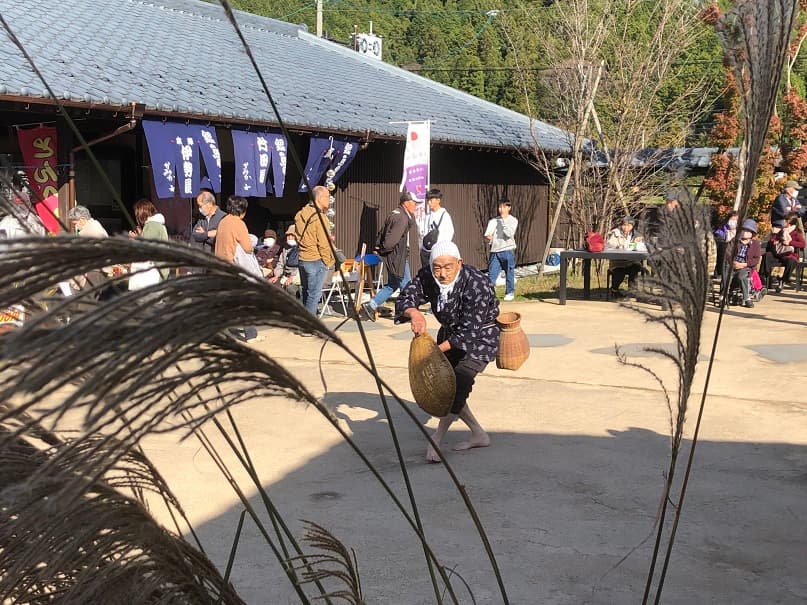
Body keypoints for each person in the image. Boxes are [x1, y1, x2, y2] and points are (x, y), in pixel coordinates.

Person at [395, 240, 499, 463]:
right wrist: (414, 314)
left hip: (480, 338)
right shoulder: (428, 276)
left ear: (459, 263)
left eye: (448, 267)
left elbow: (469, 332)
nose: (442, 273)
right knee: (446, 384)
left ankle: (437, 438)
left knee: (459, 383)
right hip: (448, 336)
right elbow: (406, 297)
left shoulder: (477, 284)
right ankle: (479, 434)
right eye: (437, 267)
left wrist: (433, 353)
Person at [362, 192, 417, 321]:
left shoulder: (395, 213)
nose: (415, 206)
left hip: (393, 256)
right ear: (407, 203)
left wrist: (378, 247)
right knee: (407, 286)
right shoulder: (402, 218)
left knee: (393, 284)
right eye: (414, 203)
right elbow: (390, 241)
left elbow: (382, 232)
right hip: (397, 256)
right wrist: (383, 249)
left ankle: (371, 305)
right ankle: (405, 312)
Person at [216, 195, 262, 342]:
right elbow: (248, 247)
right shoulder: (238, 223)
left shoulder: (223, 222)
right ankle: (251, 334)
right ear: (242, 210)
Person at [294, 185, 336, 315]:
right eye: (328, 197)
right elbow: (323, 243)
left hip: (302, 259)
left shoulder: (300, 214)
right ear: (319, 198)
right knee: (314, 294)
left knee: (305, 291)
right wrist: (329, 261)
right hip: (316, 259)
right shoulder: (320, 217)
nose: (330, 200)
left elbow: (297, 236)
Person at [128, 198, 169, 289]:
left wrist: (134, 239)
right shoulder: (156, 224)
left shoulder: (152, 225)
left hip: (153, 274)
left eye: (137, 214)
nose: (136, 217)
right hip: (158, 270)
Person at [484, 198, 518, 301]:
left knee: (509, 272)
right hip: (495, 251)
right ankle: (489, 294)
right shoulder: (494, 221)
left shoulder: (513, 220)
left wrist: (503, 221)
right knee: (492, 274)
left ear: (509, 208)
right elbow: (487, 234)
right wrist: (489, 237)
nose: (501, 209)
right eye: (499, 207)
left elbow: (509, 234)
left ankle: (509, 292)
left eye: (504, 207)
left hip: (507, 250)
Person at [605, 215, 646, 297]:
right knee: (619, 272)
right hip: (618, 261)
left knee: (635, 268)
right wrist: (622, 245)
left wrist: (638, 241)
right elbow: (610, 243)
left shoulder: (637, 235)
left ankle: (632, 291)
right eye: (624, 225)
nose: (626, 227)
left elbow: (642, 247)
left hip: (631, 260)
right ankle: (614, 290)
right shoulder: (615, 233)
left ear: (632, 226)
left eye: (628, 225)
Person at [726, 218, 762, 308]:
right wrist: (733, 262)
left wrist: (744, 264)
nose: (744, 232)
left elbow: (756, 259)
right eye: (743, 230)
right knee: (727, 275)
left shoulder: (755, 244)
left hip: (746, 266)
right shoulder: (735, 241)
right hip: (733, 264)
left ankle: (747, 298)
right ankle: (724, 295)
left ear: (752, 233)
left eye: (748, 230)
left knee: (742, 276)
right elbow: (728, 253)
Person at [768, 213, 805, 292]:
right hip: (779, 254)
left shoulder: (796, 232)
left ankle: (782, 280)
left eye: (785, 220)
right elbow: (773, 238)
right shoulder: (782, 230)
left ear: (790, 222)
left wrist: (790, 243)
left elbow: (803, 244)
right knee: (767, 255)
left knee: (791, 262)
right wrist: (774, 240)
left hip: (790, 255)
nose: (783, 222)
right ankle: (766, 280)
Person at [418, 188, 454, 268]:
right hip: (426, 251)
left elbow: (449, 233)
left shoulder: (444, 215)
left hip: (438, 251)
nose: (429, 203)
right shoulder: (428, 216)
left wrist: (440, 248)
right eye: (428, 200)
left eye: (431, 200)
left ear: (438, 200)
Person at [270, 224, 301, 298]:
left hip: (297, 277)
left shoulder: (301, 250)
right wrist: (276, 275)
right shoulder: (285, 249)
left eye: (292, 236)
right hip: (285, 276)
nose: (290, 238)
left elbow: (301, 267)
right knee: (272, 286)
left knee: (290, 289)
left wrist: (292, 278)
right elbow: (280, 264)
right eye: (288, 235)